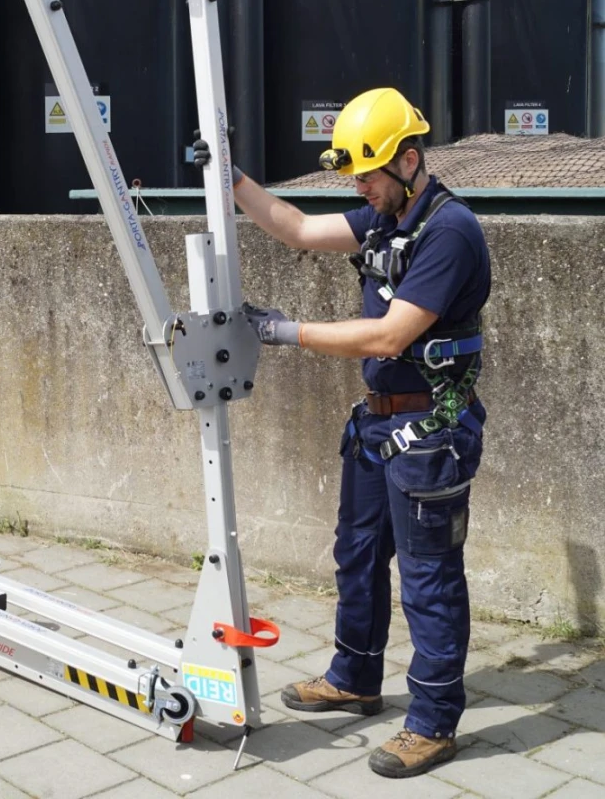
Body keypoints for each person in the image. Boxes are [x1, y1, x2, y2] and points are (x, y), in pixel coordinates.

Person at [193, 87, 490, 779]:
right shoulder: (386, 215)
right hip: (379, 426)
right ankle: (354, 676)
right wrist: (230, 175)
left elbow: (389, 336)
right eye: (355, 177)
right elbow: (296, 229)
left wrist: (282, 331)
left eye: (368, 175)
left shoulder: (449, 231)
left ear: (409, 161)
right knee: (356, 556)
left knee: (429, 580)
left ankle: (433, 722)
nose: (359, 188)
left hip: (432, 429)